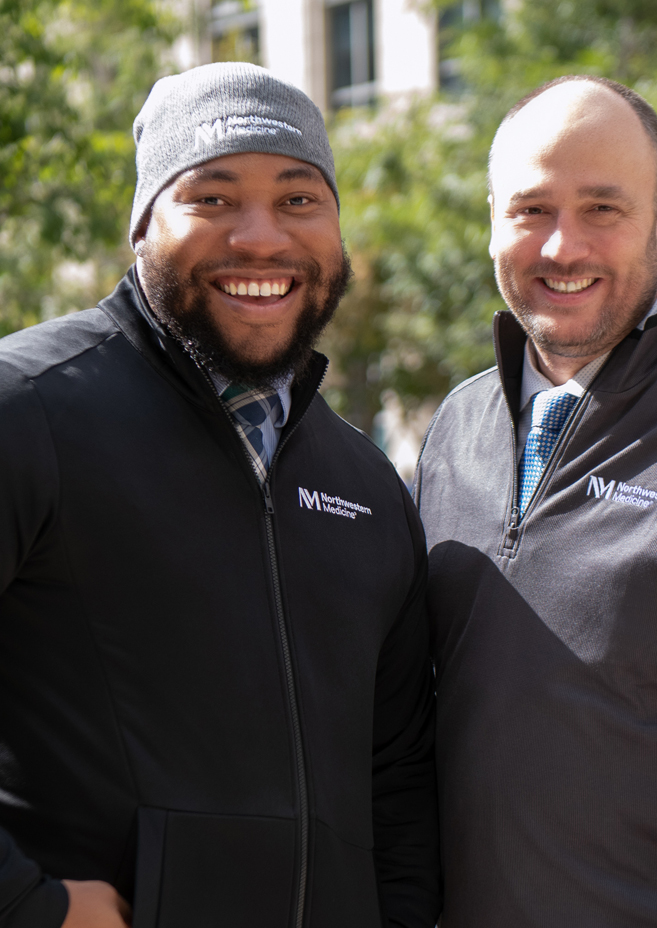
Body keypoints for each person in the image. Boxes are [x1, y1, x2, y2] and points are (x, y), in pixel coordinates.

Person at [0, 62, 440, 928]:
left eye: (299, 199)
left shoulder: (367, 487)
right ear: (142, 226)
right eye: (211, 198)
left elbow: (398, 779)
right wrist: (28, 906)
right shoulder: (27, 411)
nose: (261, 238)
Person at [414, 74, 657, 926]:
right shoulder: (455, 432)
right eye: (530, 210)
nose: (562, 248)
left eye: (601, 209)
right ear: (491, 222)